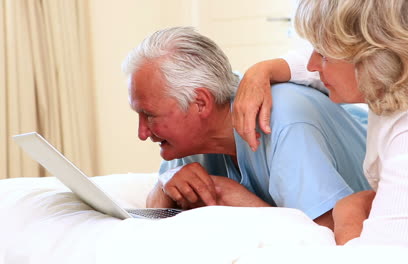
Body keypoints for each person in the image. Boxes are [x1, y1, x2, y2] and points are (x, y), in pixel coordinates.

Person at [232, 0, 408, 253]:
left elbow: (387, 256)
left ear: (376, 57)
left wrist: (350, 213)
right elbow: (310, 66)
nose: (312, 64)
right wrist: (260, 71)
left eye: (322, 53)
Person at [122, 26, 370, 229]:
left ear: (201, 103)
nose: (142, 133)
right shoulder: (193, 136)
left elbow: (329, 234)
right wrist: (166, 182)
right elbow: (150, 217)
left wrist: (235, 197)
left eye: (149, 116)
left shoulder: (284, 121)